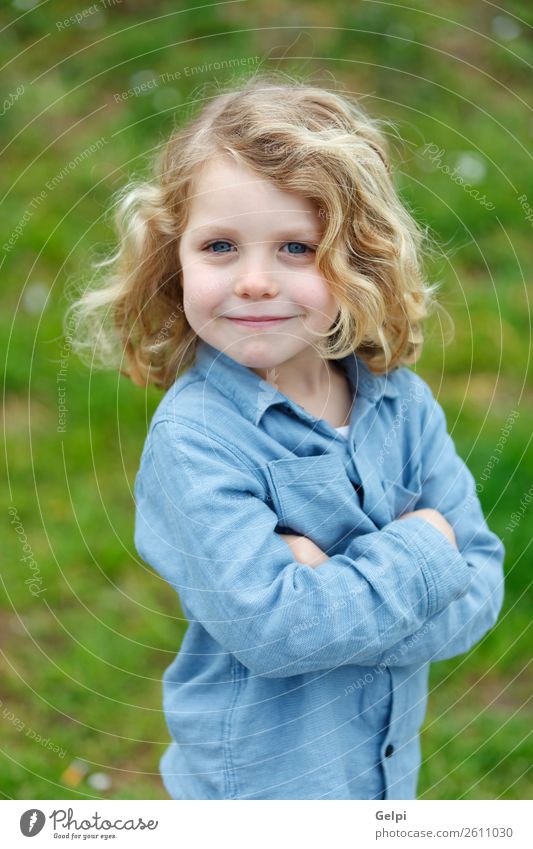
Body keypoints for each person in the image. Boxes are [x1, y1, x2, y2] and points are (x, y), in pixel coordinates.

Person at [68, 72, 505, 800]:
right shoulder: (195, 440)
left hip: (379, 782)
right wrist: (425, 552)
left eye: (296, 248)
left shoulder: (400, 401)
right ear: (174, 259)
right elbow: (272, 632)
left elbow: (483, 583)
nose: (254, 281)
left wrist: (323, 584)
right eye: (219, 247)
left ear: (356, 257)